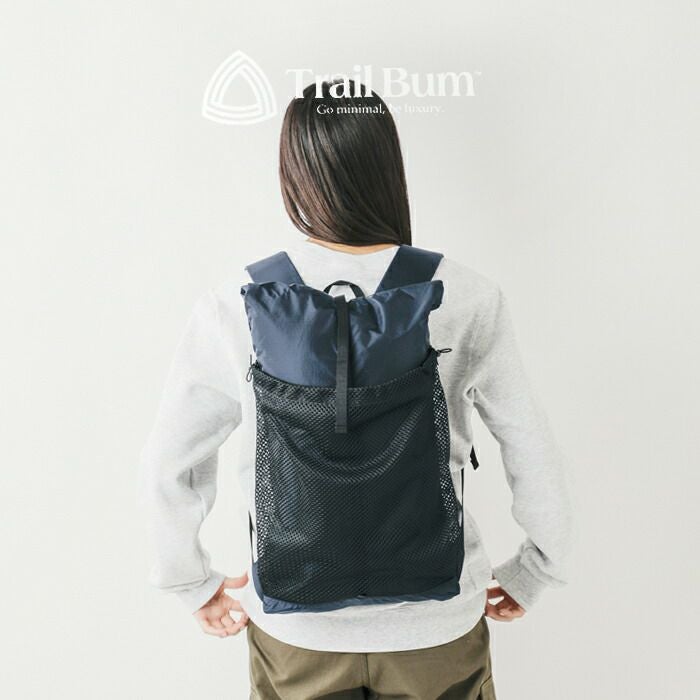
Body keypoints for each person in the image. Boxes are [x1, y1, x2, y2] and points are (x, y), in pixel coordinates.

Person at [142, 81, 573, 700]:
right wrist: (536, 569)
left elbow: (169, 458)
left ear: (294, 173)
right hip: (436, 627)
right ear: (388, 166)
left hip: (296, 630)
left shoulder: (241, 302)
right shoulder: (466, 294)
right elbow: (531, 446)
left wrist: (189, 580)